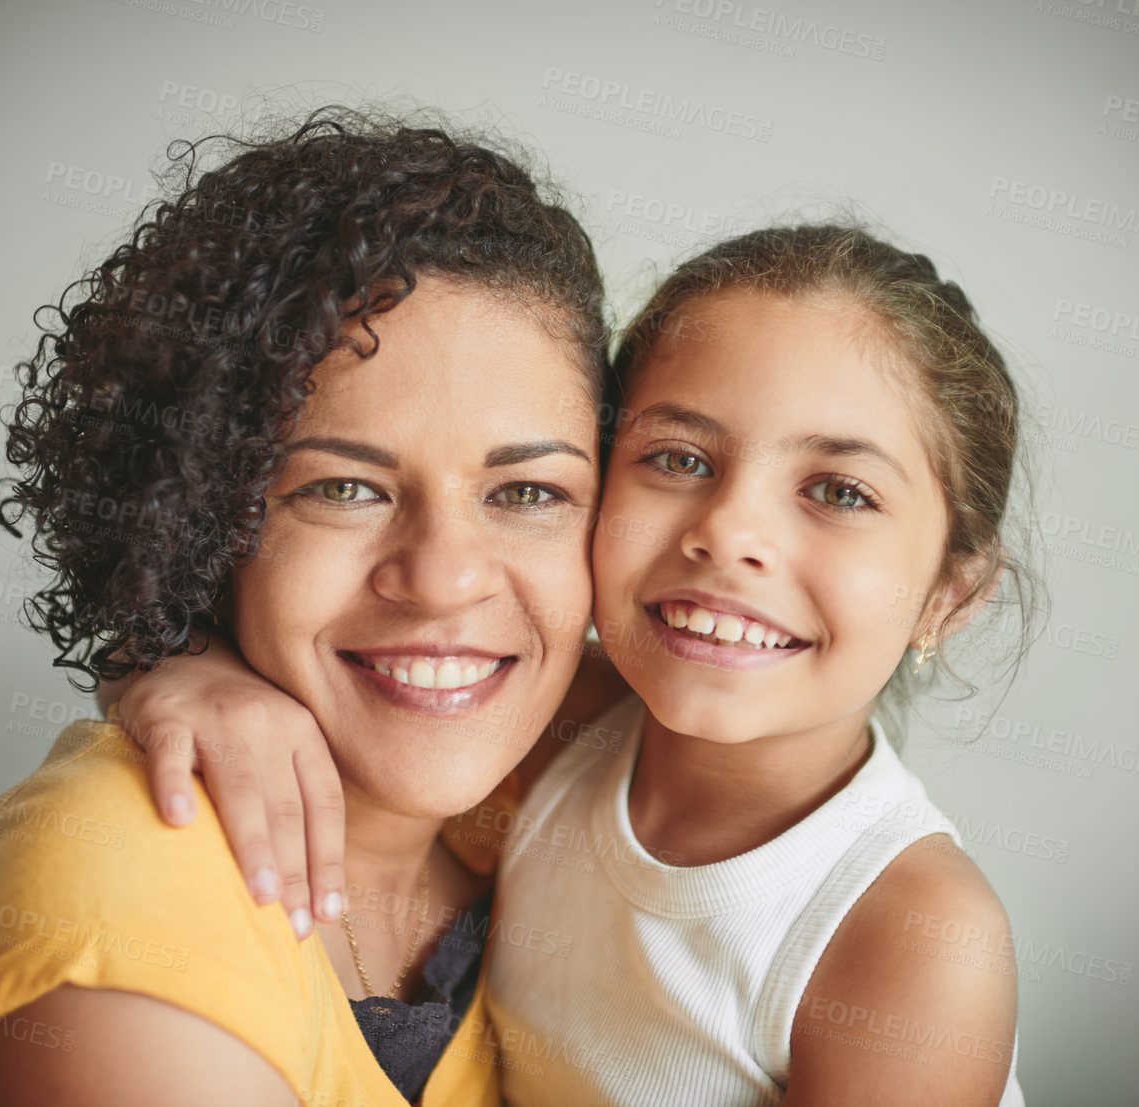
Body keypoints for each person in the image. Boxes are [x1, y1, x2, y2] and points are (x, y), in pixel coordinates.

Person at [117, 223, 1040, 1104]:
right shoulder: (557, 725)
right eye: (678, 457)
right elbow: (292, 667)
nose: (728, 532)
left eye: (839, 491)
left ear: (947, 594)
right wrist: (183, 666)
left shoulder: (911, 936)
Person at [0, 106, 615, 1107]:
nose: (443, 579)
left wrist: (154, 660)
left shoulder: (563, 801)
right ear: (199, 517)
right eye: (342, 489)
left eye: (526, 494)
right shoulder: (125, 920)